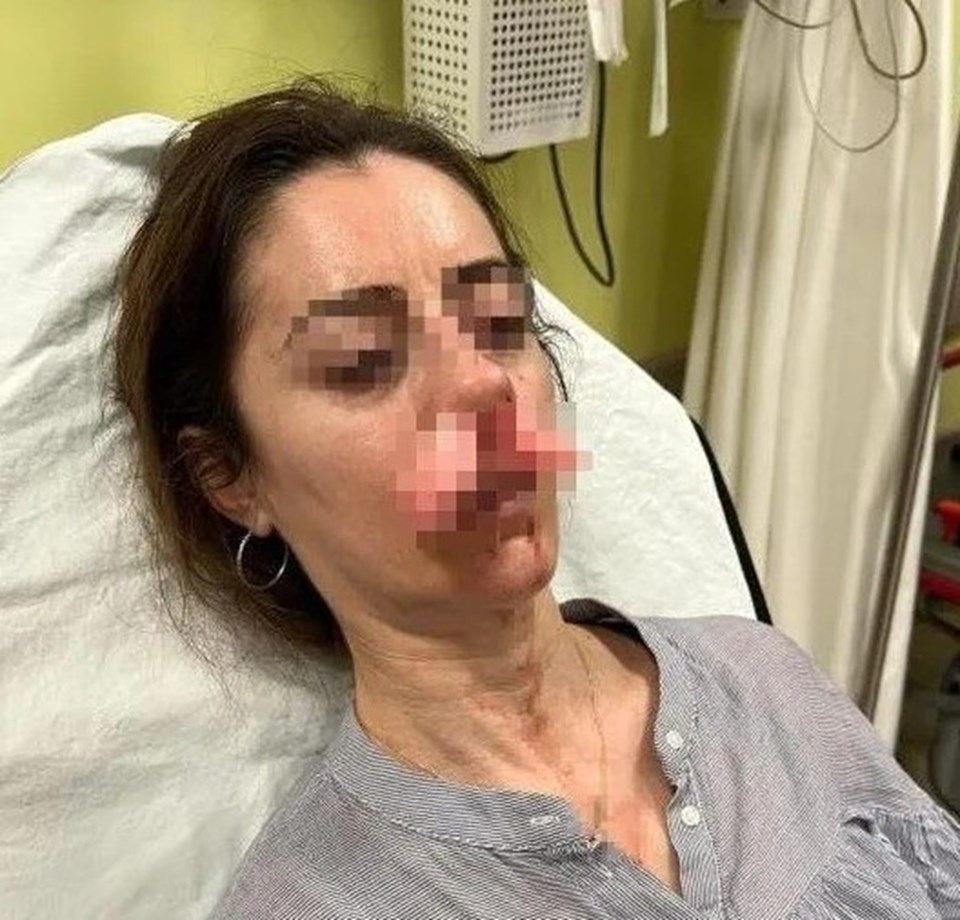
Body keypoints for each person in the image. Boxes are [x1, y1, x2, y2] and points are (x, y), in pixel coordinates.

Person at [114, 76, 960, 919]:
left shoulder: (761, 675)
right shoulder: (311, 903)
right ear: (229, 477)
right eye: (364, 357)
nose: (485, 384)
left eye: (499, 323)